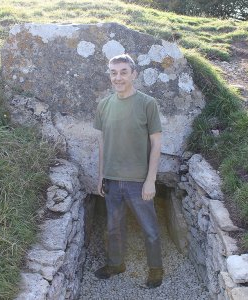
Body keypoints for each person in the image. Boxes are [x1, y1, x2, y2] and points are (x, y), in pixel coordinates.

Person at [93, 53, 163, 288]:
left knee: (150, 229)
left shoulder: (147, 104)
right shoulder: (103, 105)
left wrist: (150, 180)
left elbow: (156, 144)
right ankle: (116, 264)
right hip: (112, 180)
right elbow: (103, 143)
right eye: (113, 72)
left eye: (123, 72)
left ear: (134, 74)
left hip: (138, 181)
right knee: (114, 228)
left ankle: (155, 269)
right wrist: (101, 176)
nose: (118, 77)